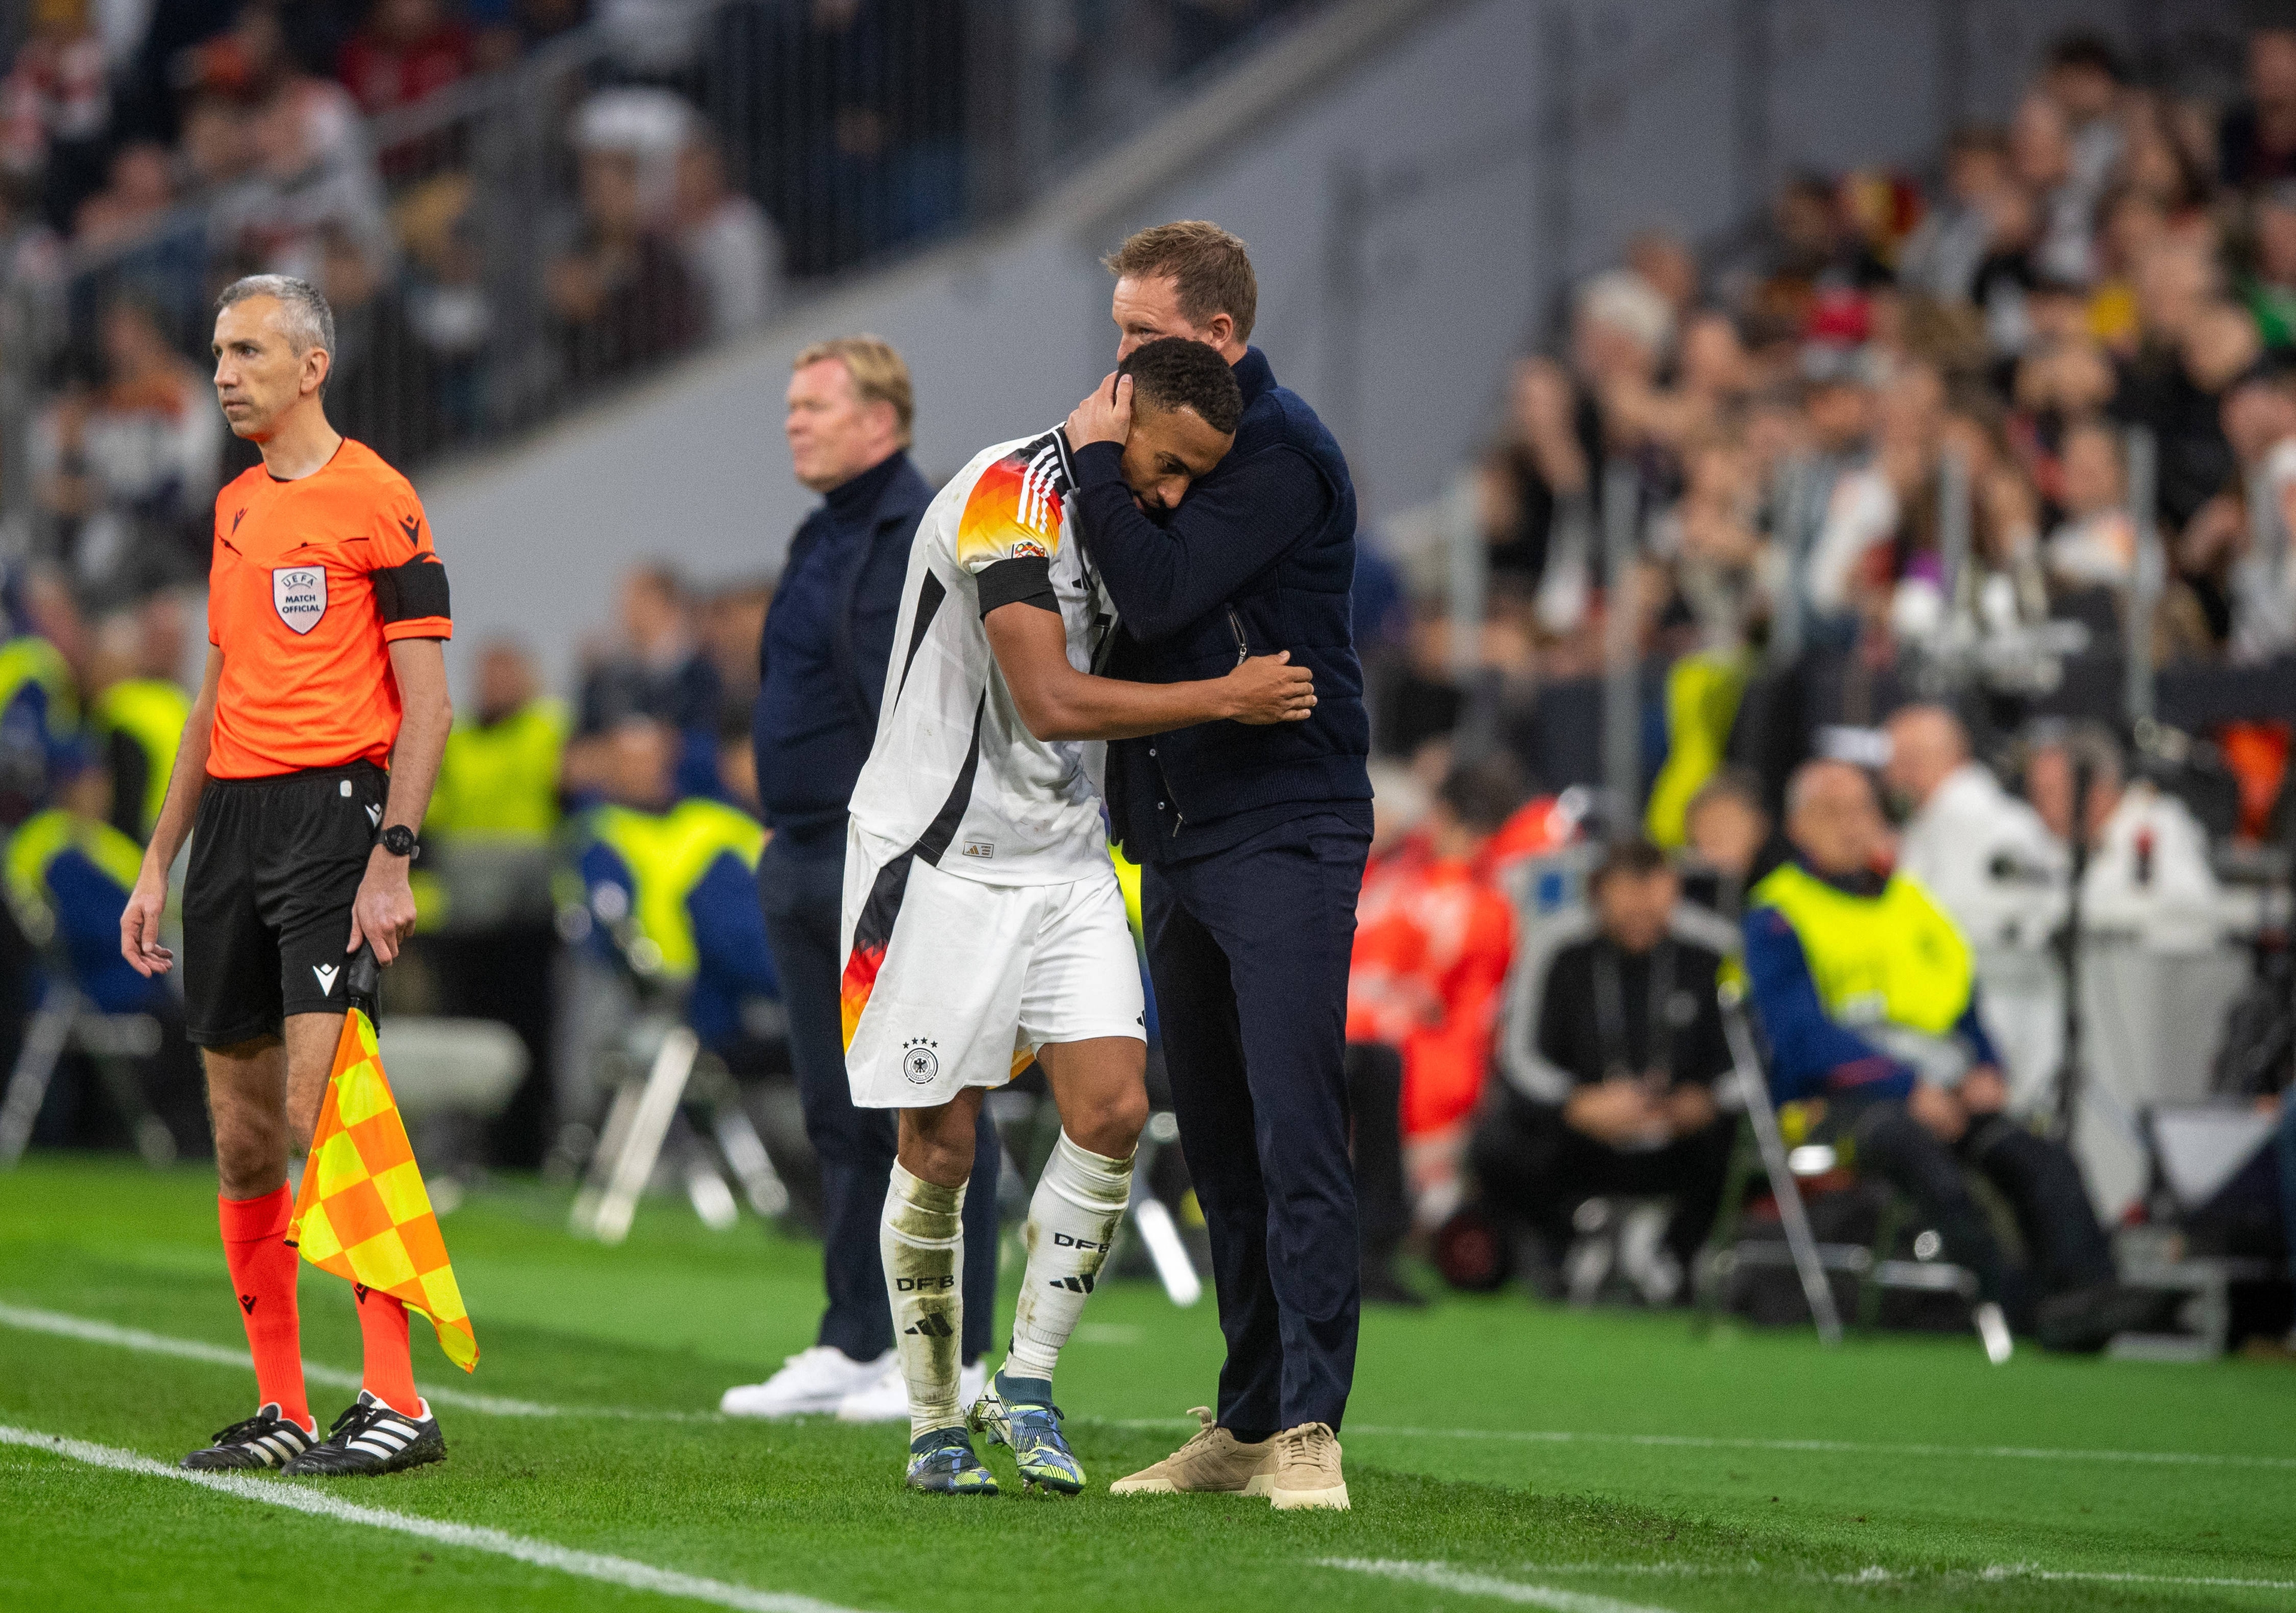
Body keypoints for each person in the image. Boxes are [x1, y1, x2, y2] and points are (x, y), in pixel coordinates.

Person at [840, 337, 1313, 1497]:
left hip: (1065, 861)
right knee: (941, 1143)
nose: (1170, 496)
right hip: (938, 862)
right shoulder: (1012, 493)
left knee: (1112, 1108)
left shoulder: (1125, 512)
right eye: (1166, 465)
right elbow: (1049, 700)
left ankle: (1029, 1379)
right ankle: (934, 1417)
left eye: (1195, 479)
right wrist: (1228, 698)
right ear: (1122, 412)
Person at [117, 274, 456, 1474]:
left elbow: (428, 706)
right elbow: (216, 696)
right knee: (245, 1135)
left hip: (334, 819)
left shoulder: (383, 500)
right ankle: (286, 1406)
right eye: (217, 352)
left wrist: (393, 855)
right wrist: (159, 857)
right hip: (234, 832)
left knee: (328, 1109)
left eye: (248, 351)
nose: (223, 373)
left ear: (312, 365)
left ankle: (398, 1401)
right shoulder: (232, 510)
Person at [1067, 222, 1371, 1512]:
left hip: (1284, 822)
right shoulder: (1177, 442)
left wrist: (1090, 463)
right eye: (1119, 331)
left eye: (1144, 334)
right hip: (1186, 828)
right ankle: (1246, 1419)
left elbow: (1157, 596)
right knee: (1226, 1143)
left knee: (1298, 1126)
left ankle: (1311, 1427)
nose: (1121, 360)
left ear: (1220, 338)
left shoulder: (1274, 449)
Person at [718, 337, 1004, 1426]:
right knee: (838, 1114)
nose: (794, 421)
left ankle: (958, 1351)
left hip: (883, 855)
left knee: (929, 1100)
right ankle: (854, 1335)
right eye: (791, 404)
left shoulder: (922, 529)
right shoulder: (819, 530)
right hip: (798, 852)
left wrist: (913, 846)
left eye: (816, 405)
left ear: (881, 420)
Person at [1742, 760, 2150, 1353]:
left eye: (1864, 810)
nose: (1853, 826)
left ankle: (2091, 1294)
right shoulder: (1778, 914)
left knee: (2037, 1156)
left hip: (1942, 1092)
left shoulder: (1914, 905)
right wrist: (1905, 1087)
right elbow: (1802, 1037)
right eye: (1833, 813)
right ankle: (2018, 1306)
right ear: (1798, 828)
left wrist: (1988, 1071)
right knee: (1916, 1150)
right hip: (1832, 1105)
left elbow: (1963, 1006)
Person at [1482, 838, 1739, 1300]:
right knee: (1496, 1140)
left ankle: (1673, 1246)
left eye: (1654, 899)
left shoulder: (1715, 947)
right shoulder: (1558, 945)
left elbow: (1753, 1057)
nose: (1641, 912)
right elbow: (1517, 1055)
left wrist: (1707, 1100)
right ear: (1600, 893)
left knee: (1746, 1134)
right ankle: (1576, 1240)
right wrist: (1576, 1103)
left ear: (1674, 891)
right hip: (1586, 1130)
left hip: (1681, 1130)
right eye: (1626, 900)